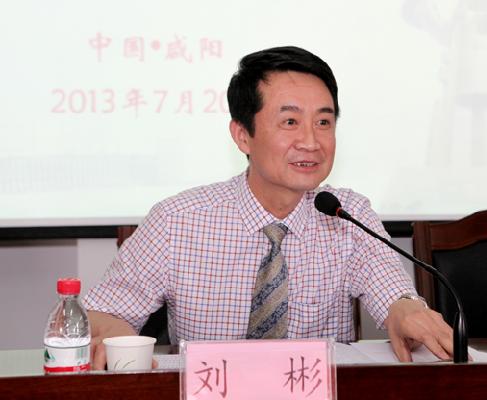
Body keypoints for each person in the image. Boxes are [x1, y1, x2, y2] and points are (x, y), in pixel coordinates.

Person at [83, 46, 454, 369]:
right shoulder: (176, 221)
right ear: (242, 135)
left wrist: (406, 308)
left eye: (323, 122)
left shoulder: (346, 214)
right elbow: (102, 313)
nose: (311, 141)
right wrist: (116, 335)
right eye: (290, 121)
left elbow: (394, 293)